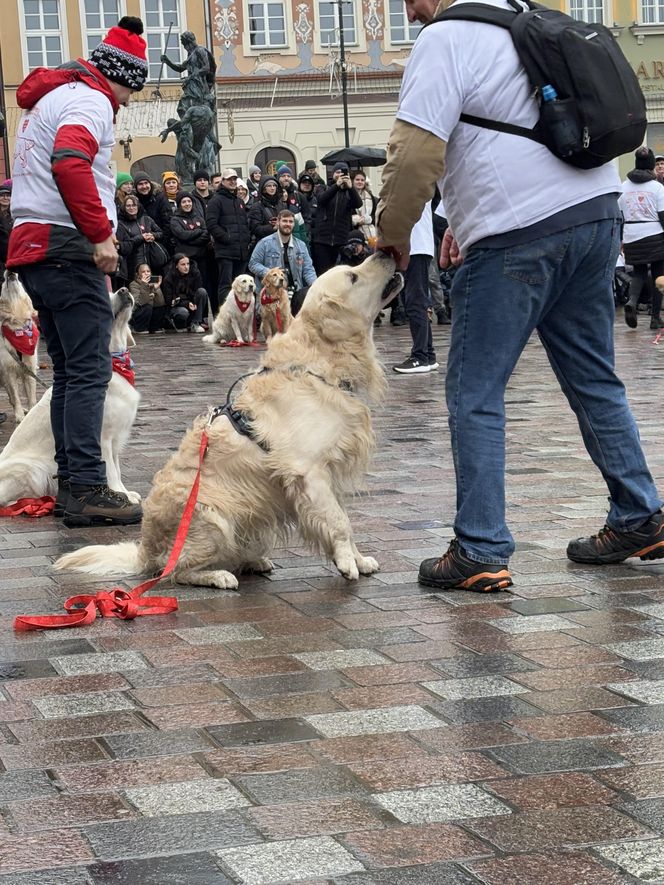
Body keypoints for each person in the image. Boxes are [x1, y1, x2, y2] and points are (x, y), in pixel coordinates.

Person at [376, 0, 664, 591]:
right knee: (594, 377)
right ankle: (639, 515)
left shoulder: (446, 37)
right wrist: (462, 215)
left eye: (407, 0)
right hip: (594, 216)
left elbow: (415, 154)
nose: (408, 13)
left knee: (474, 390)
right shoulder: (524, 19)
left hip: (519, 238)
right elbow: (509, 136)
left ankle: (479, 546)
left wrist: (394, 233)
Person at [7, 15, 146, 526]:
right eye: (132, 88)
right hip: (68, 248)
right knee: (89, 370)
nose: (129, 102)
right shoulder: (88, 101)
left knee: (68, 371)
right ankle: (87, 485)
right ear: (120, 75)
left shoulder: (54, 96)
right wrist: (100, 234)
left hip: (37, 247)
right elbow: (70, 162)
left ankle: (73, 484)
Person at [618, 147, 664, 330]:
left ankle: (632, 301)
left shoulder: (623, 186)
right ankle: (655, 318)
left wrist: (621, 238)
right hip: (654, 234)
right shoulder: (657, 187)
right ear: (651, 165)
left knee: (639, 272)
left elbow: (619, 215)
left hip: (631, 234)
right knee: (659, 275)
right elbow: (663, 216)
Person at [392, 201, 438, 374]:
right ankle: (428, 353)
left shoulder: (413, 180)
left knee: (415, 301)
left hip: (415, 246)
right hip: (416, 246)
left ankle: (420, 356)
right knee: (417, 300)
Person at [249, 209, 316, 316]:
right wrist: (271, 273)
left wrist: (316, 286)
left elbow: (308, 270)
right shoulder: (264, 243)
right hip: (270, 294)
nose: (287, 224)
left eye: (290, 222)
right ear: (278, 222)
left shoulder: (301, 245)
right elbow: (253, 264)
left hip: (294, 293)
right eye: (284, 221)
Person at [205, 168, 250, 304]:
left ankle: (240, 314)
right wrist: (227, 238)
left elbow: (244, 224)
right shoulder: (215, 201)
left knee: (241, 286)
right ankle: (225, 316)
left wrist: (246, 240)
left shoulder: (239, 201)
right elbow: (211, 225)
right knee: (225, 285)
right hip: (225, 251)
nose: (232, 182)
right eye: (229, 179)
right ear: (222, 181)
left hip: (241, 251)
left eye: (234, 179)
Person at [312, 162, 362, 274]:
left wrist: (350, 188)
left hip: (342, 240)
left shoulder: (348, 193)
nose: (340, 175)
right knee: (323, 274)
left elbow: (358, 204)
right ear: (332, 174)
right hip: (322, 241)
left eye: (343, 173)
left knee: (341, 274)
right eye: (337, 172)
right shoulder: (323, 187)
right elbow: (321, 200)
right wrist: (336, 186)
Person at [116, 193, 165, 284]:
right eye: (128, 206)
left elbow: (161, 233)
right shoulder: (121, 224)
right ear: (124, 208)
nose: (131, 208)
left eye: (134, 205)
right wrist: (140, 238)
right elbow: (122, 247)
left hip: (151, 262)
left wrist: (153, 235)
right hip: (132, 266)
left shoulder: (146, 219)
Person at [161, 253, 207, 332]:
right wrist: (186, 303)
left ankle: (195, 323)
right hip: (178, 306)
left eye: (188, 264)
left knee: (202, 291)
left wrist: (194, 303)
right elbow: (169, 300)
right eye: (183, 264)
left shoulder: (195, 273)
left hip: (192, 302)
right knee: (183, 312)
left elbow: (197, 291)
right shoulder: (169, 278)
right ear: (176, 265)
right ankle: (180, 324)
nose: (186, 267)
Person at [129, 263, 166, 334]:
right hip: (138, 312)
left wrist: (156, 288)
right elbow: (139, 303)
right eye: (143, 272)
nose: (146, 273)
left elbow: (160, 303)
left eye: (148, 271)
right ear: (138, 275)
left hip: (149, 311)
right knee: (147, 307)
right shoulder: (133, 284)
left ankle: (154, 327)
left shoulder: (153, 283)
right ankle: (139, 328)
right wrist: (144, 285)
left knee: (160, 308)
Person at [248, 177, 281, 244]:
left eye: (274, 185)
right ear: (263, 189)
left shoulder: (281, 204)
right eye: (269, 186)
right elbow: (255, 229)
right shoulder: (257, 206)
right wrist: (273, 227)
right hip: (265, 244)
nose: (272, 188)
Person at [352, 171, 377, 245]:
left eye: (362, 180)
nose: (360, 182)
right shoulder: (348, 195)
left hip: (371, 235)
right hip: (354, 235)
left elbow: (375, 215)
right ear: (352, 181)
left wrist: (369, 219)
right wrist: (355, 220)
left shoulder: (371, 197)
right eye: (357, 180)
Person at [0, 179, 12, 277]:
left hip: (11, 255)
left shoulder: (13, 215)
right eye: (2, 195)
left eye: (8, 195)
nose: (5, 198)